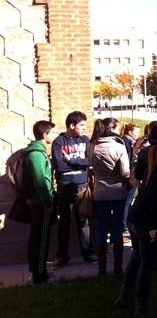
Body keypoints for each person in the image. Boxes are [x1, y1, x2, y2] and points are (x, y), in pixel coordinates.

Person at [117, 135, 157, 315]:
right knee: (147, 263)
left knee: (137, 258)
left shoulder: (155, 168)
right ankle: (141, 304)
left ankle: (124, 296)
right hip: (146, 223)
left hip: (136, 218)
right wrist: (154, 226)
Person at [52, 111, 95, 267]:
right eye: (81, 125)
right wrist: (79, 162)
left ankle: (88, 253)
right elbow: (59, 165)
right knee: (64, 223)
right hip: (65, 187)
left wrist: (71, 160)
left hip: (82, 187)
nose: (84, 128)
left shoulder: (85, 140)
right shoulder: (59, 142)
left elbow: (90, 161)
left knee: (84, 222)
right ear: (72, 125)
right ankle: (62, 256)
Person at [89, 118, 130, 276]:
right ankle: (118, 268)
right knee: (117, 228)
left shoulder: (93, 145)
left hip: (100, 191)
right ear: (112, 128)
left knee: (102, 228)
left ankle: (101, 269)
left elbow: (90, 167)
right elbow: (125, 171)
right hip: (117, 190)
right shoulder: (118, 145)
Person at [25, 121, 57, 284]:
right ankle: (40, 274)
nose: (52, 136)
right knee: (41, 238)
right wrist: (47, 201)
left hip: (38, 203)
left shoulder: (37, 152)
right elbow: (40, 180)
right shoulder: (36, 154)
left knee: (37, 237)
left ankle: (37, 270)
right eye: (51, 133)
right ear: (44, 135)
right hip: (40, 204)